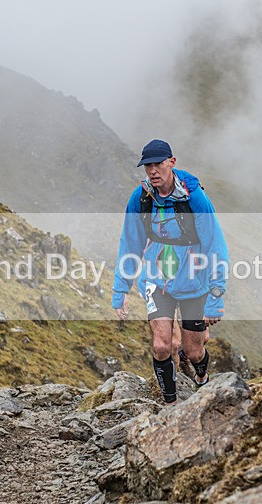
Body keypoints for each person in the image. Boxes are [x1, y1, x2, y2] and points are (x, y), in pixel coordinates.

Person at [112, 139, 229, 405]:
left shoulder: (194, 197)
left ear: (172, 162)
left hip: (193, 284)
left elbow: (215, 244)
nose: (153, 170)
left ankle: (201, 374)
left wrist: (216, 293)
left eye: (158, 164)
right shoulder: (140, 198)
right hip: (156, 281)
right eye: (147, 166)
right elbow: (129, 243)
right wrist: (120, 290)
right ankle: (170, 404)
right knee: (162, 345)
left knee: (193, 349)